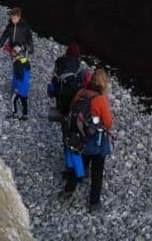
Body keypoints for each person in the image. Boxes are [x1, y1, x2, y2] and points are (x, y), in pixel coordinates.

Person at [64, 68, 114, 212]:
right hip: (95, 141)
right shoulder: (100, 100)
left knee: (78, 163)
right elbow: (108, 123)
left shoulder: (81, 93)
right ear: (104, 84)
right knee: (97, 172)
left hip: (79, 138)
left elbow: (72, 109)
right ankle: (94, 203)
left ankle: (68, 191)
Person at [48, 43, 92, 114]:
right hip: (73, 105)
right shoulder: (80, 69)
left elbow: (53, 83)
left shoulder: (59, 64)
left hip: (60, 104)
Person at [9, 45, 31, 120]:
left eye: (13, 51)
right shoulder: (25, 60)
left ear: (17, 53)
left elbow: (18, 76)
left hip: (19, 86)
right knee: (24, 99)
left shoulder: (17, 63)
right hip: (26, 85)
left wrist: (16, 87)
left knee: (13, 100)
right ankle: (25, 115)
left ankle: (14, 113)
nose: (11, 53)